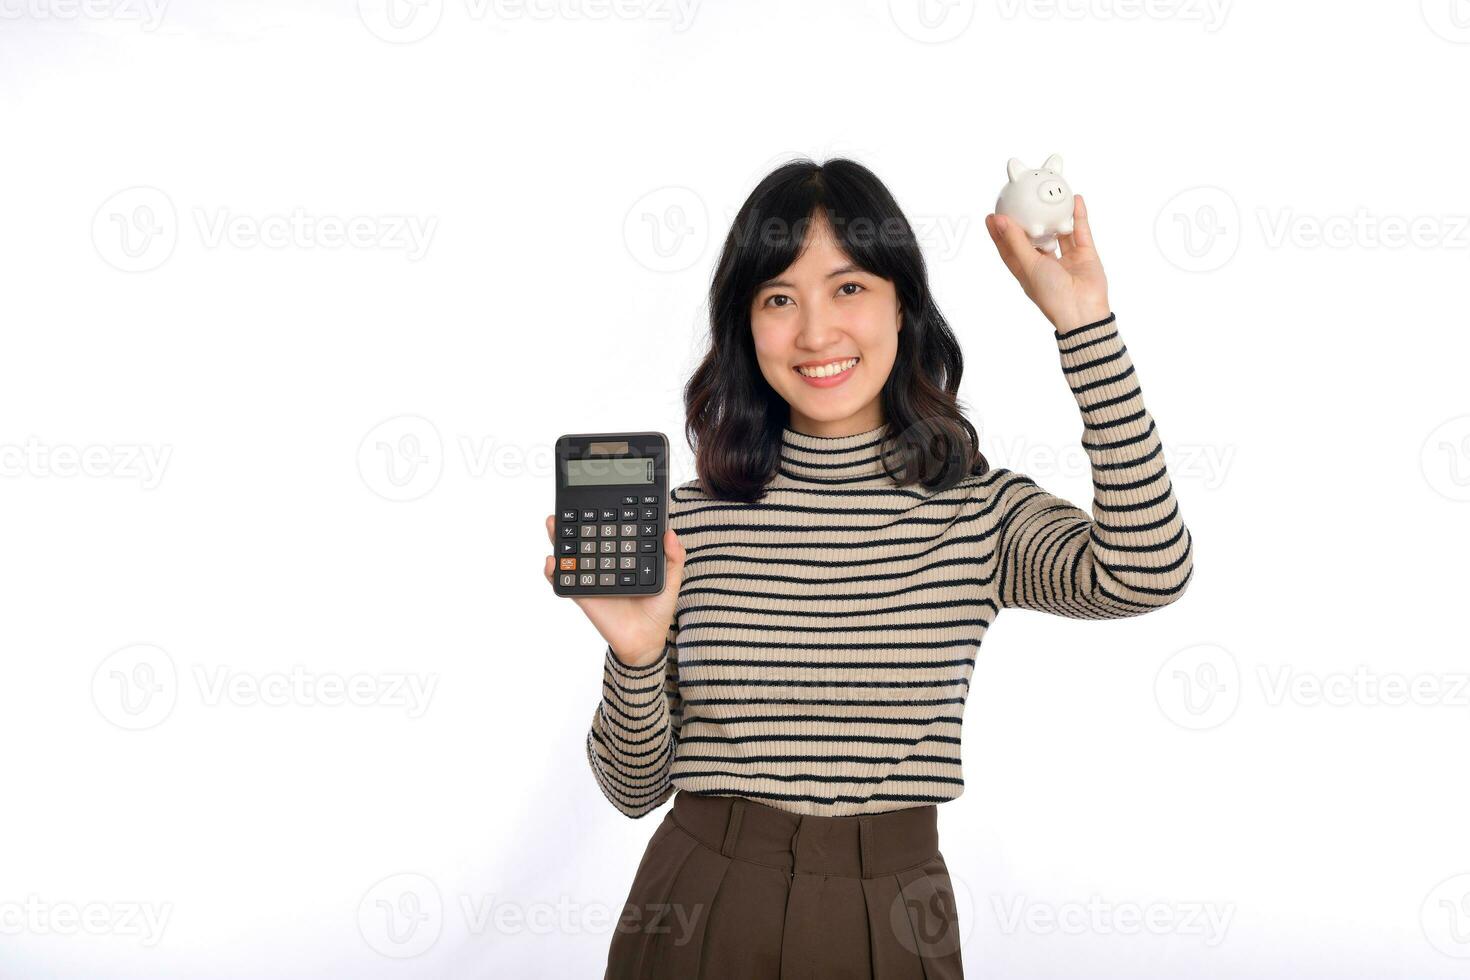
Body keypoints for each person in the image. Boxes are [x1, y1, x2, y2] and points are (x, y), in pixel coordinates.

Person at [543, 157, 1195, 979]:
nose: (816, 334)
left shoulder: (975, 511)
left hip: (894, 914)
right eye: (779, 299)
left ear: (902, 305)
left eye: (848, 289)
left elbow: (1147, 569)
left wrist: (1083, 324)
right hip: (702, 900)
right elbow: (632, 791)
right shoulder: (687, 523)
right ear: (746, 326)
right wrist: (635, 657)